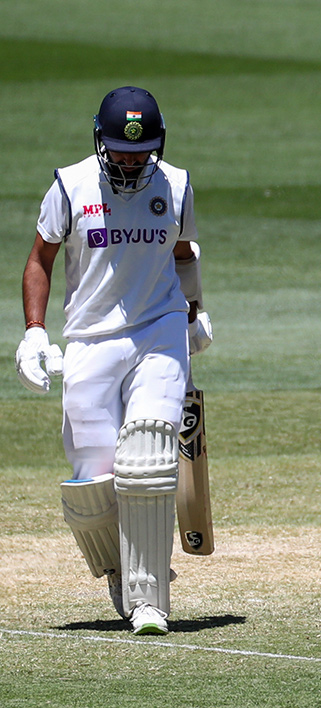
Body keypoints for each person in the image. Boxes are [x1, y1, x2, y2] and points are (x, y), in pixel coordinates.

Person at [17, 86, 212, 635]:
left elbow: (182, 254)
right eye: (120, 150)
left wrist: (194, 313)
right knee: (93, 479)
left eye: (142, 150)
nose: (131, 160)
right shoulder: (70, 184)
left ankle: (151, 598)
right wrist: (34, 333)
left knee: (149, 449)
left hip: (158, 329)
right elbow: (40, 259)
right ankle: (120, 569)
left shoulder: (174, 185)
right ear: (99, 141)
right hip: (90, 339)